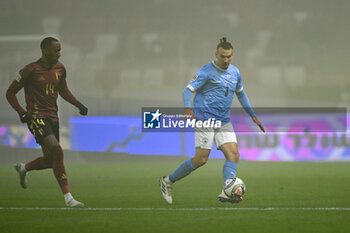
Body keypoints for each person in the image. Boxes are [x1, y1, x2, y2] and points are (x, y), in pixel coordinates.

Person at [159, 37, 265, 204]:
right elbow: (187, 91)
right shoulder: (206, 71)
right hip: (205, 120)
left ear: (233, 55)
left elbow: (241, 93)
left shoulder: (235, 72)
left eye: (229, 56)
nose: (226, 60)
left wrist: (252, 115)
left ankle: (226, 191)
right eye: (222, 56)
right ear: (216, 54)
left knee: (234, 155)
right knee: (201, 159)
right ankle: (168, 181)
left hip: (223, 121)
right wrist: (187, 108)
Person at [6, 37, 88, 207]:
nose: (59, 53)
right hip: (36, 117)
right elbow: (10, 93)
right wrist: (22, 112)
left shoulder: (60, 69)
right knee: (58, 150)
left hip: (53, 117)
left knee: (51, 160)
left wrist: (78, 104)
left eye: (59, 50)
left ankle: (24, 168)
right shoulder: (30, 70)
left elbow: (63, 90)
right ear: (45, 51)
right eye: (56, 50)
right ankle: (68, 199)